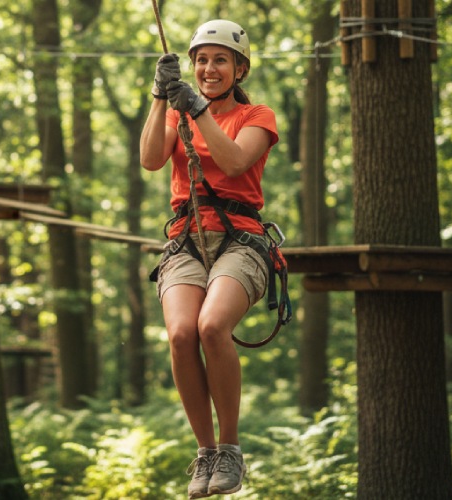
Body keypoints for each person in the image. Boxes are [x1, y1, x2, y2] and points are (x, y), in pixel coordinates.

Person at [140, 19, 279, 498]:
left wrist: (196, 110)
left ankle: (231, 448)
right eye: (201, 60)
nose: (208, 68)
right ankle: (205, 453)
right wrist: (161, 97)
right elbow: (150, 159)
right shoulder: (178, 114)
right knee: (181, 333)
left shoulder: (258, 116)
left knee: (211, 326)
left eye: (220, 60)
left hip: (240, 240)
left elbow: (236, 161)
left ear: (239, 69)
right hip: (185, 239)